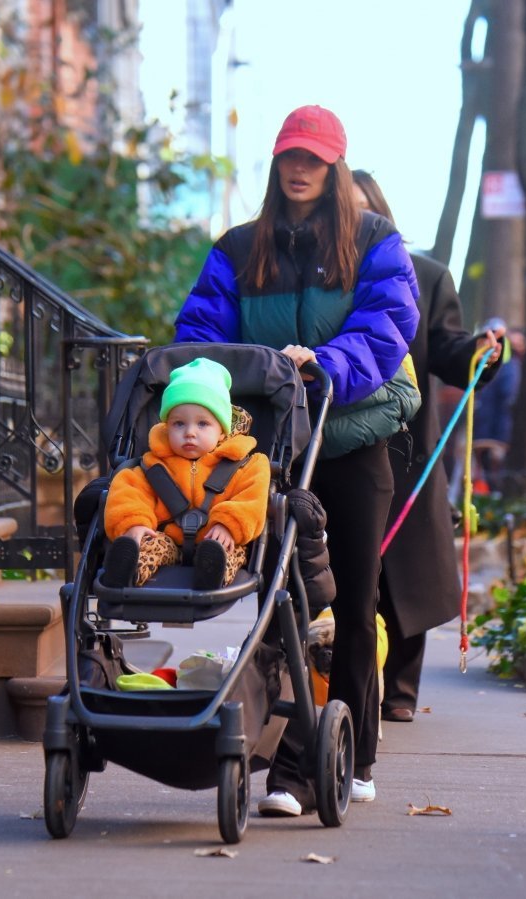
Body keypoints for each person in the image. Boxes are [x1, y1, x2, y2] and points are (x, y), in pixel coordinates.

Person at [174, 105, 420, 814]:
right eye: (290, 155)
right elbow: (201, 335)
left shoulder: (375, 240)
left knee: (354, 599)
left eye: (313, 158)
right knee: (284, 600)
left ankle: (351, 755)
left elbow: (387, 325)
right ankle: (292, 756)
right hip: (274, 455)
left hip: (348, 447)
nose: (299, 168)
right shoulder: (240, 248)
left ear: (335, 166)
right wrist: (260, 370)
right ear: (277, 162)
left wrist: (325, 363)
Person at [352, 169, 503, 722]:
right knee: (348, 573)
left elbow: (448, 349)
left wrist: (482, 353)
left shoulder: (427, 277)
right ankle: (345, 683)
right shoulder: (320, 282)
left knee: (405, 575)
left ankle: (399, 693)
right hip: (339, 448)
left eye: (365, 209)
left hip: (406, 449)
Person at [102, 357, 270, 591]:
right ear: (166, 426)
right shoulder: (154, 464)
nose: (190, 432)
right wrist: (134, 524)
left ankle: (210, 573)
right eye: (179, 424)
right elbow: (129, 493)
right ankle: (124, 570)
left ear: (222, 431)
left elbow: (252, 500)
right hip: (167, 538)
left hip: (218, 538)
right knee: (145, 545)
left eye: (202, 424)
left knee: (229, 552)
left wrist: (228, 525)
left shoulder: (245, 465)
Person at [473, 319, 525, 491]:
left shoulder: (509, 367)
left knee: (497, 471)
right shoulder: (482, 363)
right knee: (486, 472)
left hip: (498, 433)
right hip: (485, 431)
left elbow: (509, 398)